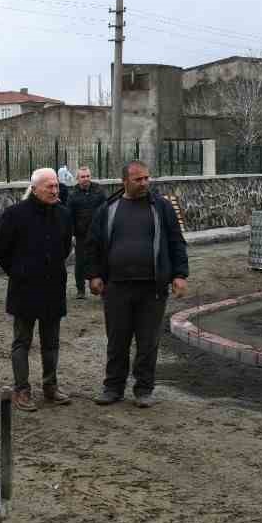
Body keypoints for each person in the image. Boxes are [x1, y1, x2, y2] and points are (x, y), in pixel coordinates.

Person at [84, 160, 188, 408]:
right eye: (138, 179)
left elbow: (176, 242)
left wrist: (179, 275)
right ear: (125, 181)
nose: (144, 183)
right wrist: (94, 275)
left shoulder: (161, 207)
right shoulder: (108, 209)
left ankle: (144, 389)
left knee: (148, 341)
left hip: (152, 288)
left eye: (146, 178)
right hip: (117, 287)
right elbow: (93, 245)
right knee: (117, 340)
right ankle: (113, 387)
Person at [0, 167, 73, 412]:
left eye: (56, 186)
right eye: (49, 186)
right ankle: (22, 390)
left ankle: (50, 386)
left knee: (51, 343)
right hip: (24, 288)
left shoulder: (63, 214)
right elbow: (1, 250)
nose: (54, 190)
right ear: (35, 187)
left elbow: (65, 247)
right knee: (22, 342)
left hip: (52, 287)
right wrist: (19, 272)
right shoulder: (15, 214)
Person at [66, 166, 106, 299]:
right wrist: (71, 235)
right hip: (81, 235)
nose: (86, 179)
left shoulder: (99, 191)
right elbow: (69, 217)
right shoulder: (72, 195)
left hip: (99, 233)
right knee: (80, 263)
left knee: (101, 260)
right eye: (83, 177)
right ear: (78, 179)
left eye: (88, 176)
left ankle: (101, 288)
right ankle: (80, 290)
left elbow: (106, 210)